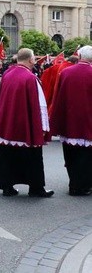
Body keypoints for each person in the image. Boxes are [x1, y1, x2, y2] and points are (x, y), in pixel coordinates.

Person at [0, 48, 53, 198]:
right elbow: (40, 105)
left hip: (8, 122)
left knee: (7, 154)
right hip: (26, 124)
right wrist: (43, 127)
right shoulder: (30, 78)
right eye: (34, 59)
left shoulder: (7, 74)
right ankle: (36, 188)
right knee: (32, 156)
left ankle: (7, 186)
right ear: (31, 60)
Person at [50, 45, 92, 195]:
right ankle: (85, 185)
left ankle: (74, 184)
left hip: (69, 121)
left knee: (71, 155)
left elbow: (58, 98)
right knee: (87, 157)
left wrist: (56, 120)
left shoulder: (66, 72)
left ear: (79, 57)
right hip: (88, 122)